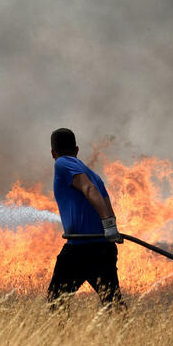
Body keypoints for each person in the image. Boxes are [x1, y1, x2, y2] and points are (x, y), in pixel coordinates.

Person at [47, 127, 125, 309]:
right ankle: (127, 335)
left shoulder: (62, 163)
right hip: (102, 249)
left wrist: (107, 224)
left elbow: (89, 189)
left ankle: (58, 337)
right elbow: (105, 200)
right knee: (113, 304)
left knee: (55, 302)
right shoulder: (94, 174)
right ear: (76, 150)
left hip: (80, 250)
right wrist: (111, 226)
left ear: (53, 153)